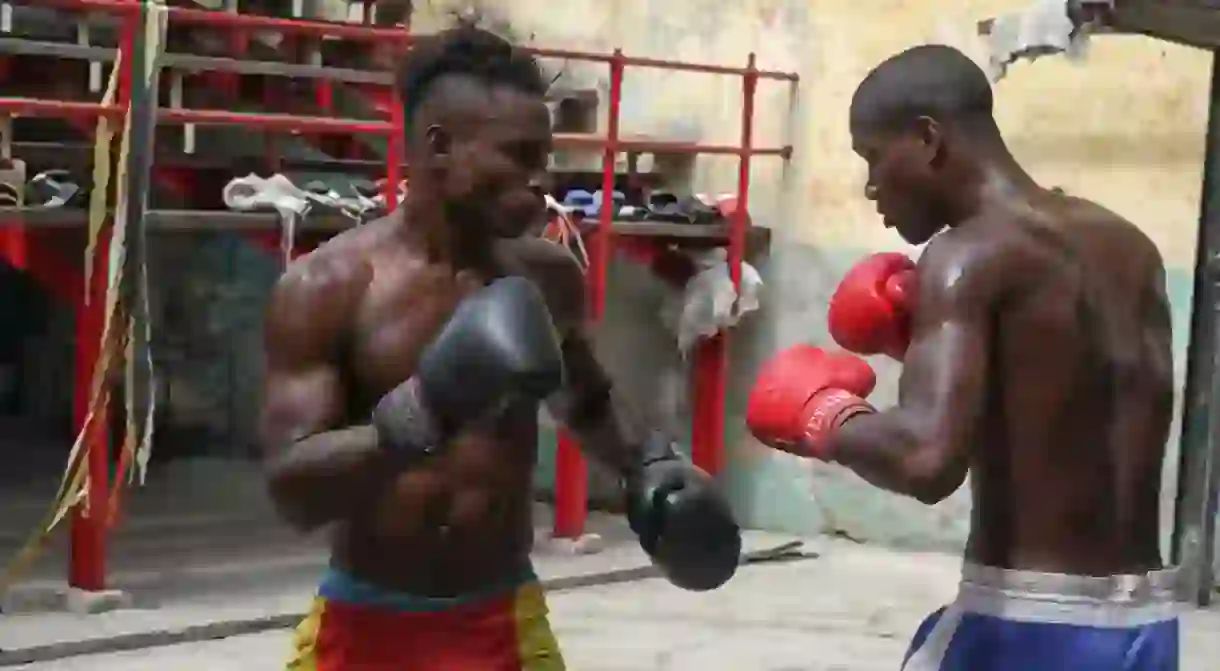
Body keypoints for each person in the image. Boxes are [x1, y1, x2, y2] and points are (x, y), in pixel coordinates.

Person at [259, 25, 741, 671]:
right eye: (518, 155)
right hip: (363, 622)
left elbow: (587, 399)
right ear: (439, 147)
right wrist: (424, 408)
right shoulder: (327, 287)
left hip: (501, 617)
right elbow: (292, 488)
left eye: (543, 157)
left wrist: (651, 466)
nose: (540, 181)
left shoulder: (547, 276)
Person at [746, 44, 1179, 670]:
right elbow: (1063, 410)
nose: (870, 187)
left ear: (927, 138)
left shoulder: (966, 257)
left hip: (1027, 624)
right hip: (1146, 624)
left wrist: (826, 416)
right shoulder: (1130, 248)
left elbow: (926, 460)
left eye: (873, 157)